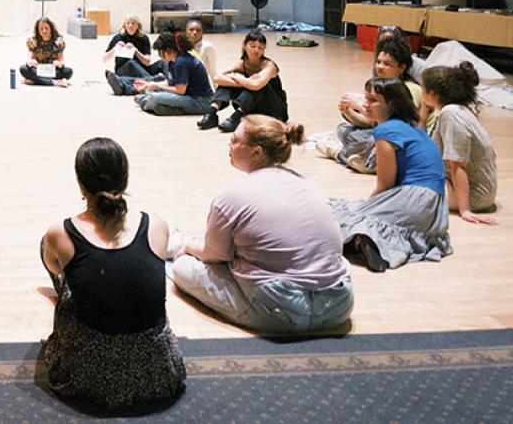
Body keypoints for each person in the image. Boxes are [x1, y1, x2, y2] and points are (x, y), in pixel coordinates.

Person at [170, 115, 353, 333]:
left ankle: (173, 241)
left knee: (182, 266)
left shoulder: (231, 196)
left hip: (281, 311)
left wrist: (188, 247)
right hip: (338, 305)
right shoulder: (310, 185)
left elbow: (215, 255)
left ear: (257, 152)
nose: (229, 142)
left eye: (236, 140)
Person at [41, 137, 185, 410]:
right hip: (157, 372)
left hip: (88, 377)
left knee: (59, 265)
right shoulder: (156, 224)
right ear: (125, 178)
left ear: (81, 183)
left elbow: (54, 268)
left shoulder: (60, 232)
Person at [328, 79, 451, 272]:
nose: (366, 104)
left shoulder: (386, 131)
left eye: (373, 100)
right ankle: (365, 240)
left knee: (342, 213)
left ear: (391, 104)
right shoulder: (412, 128)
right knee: (354, 212)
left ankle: (364, 238)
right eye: (366, 98)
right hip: (435, 208)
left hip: (414, 197)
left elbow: (385, 184)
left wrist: (367, 206)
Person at [321, 36, 420, 173]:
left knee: (372, 141)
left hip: (399, 138)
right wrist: (348, 111)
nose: (380, 67)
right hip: (382, 131)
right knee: (344, 129)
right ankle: (360, 155)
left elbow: (389, 125)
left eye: (387, 64)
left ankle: (345, 154)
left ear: (402, 68)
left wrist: (360, 106)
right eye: (378, 62)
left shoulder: (407, 89)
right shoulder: (380, 85)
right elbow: (371, 123)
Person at [422, 62, 498, 224]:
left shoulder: (451, 114)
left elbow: (458, 163)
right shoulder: (458, 109)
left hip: (473, 195)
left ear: (433, 93)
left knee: (406, 187)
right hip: (460, 185)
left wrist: (465, 210)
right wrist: (423, 115)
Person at [197, 30, 288, 133]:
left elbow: (257, 85)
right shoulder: (242, 63)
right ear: (245, 46)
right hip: (253, 105)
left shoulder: (269, 65)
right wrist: (244, 82)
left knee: (260, 86)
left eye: (260, 47)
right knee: (227, 83)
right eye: (253, 46)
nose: (256, 50)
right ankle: (211, 114)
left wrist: (239, 78)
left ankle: (236, 118)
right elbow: (217, 78)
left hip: (275, 109)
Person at [128, 31, 213, 116]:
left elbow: (180, 90)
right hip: (188, 96)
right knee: (155, 92)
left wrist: (157, 86)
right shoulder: (173, 62)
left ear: (168, 50)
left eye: (160, 51)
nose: (159, 55)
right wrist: (148, 85)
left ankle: (146, 100)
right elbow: (172, 86)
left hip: (200, 102)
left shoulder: (182, 62)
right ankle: (164, 106)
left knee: (154, 98)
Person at [103, 15, 162, 80]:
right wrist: (115, 49)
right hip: (123, 71)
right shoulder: (118, 38)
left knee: (162, 63)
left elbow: (147, 62)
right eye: (128, 23)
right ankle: (151, 80)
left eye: (133, 23)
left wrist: (136, 52)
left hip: (141, 70)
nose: (130, 25)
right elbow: (105, 59)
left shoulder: (144, 38)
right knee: (131, 62)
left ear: (137, 25)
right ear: (124, 25)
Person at [20, 17, 72, 87]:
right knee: (23, 69)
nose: (44, 31)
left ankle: (35, 81)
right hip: (38, 69)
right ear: (38, 30)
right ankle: (54, 82)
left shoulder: (58, 39)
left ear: (51, 28)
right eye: (41, 29)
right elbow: (29, 58)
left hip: (52, 70)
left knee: (68, 72)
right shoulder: (33, 40)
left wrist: (59, 63)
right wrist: (31, 61)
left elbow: (61, 59)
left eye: (46, 28)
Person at [184, 18, 217, 88]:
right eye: (191, 30)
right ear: (186, 32)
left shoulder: (207, 47)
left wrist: (218, 94)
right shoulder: (181, 47)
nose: (195, 32)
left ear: (202, 32)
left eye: (198, 30)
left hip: (199, 86)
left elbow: (213, 72)